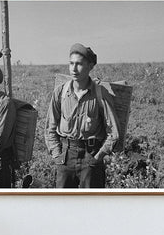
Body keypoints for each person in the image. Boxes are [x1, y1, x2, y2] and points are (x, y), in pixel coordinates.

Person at [45, 43, 121, 188]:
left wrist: (98, 157)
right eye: (71, 63)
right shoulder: (60, 92)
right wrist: (57, 154)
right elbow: (50, 127)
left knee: (91, 206)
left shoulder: (100, 94)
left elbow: (114, 133)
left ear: (90, 66)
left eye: (79, 64)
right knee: (63, 205)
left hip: (91, 156)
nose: (73, 69)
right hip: (65, 156)